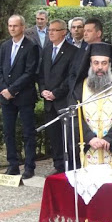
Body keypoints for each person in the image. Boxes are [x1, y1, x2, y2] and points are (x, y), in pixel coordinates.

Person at [70, 42, 112, 166]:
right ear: (90, 64)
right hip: (87, 149)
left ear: (110, 64)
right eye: (96, 63)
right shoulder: (80, 88)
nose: (100, 67)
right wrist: (89, 138)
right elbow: (73, 117)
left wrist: (109, 139)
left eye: (104, 63)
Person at [0, 15, 39, 179]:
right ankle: (13, 165)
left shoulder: (31, 47)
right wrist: (4, 89)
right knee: (9, 132)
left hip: (24, 96)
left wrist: (13, 89)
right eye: (10, 26)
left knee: (28, 132)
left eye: (15, 26)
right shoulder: (5, 46)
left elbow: (30, 73)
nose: (12, 29)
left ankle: (29, 166)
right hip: (6, 97)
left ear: (22, 27)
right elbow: (0, 69)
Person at [38, 19, 78, 174]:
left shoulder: (72, 51)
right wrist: (43, 90)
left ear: (64, 32)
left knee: (67, 136)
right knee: (53, 136)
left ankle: (71, 166)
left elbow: (71, 77)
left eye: (54, 30)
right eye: (49, 30)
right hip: (49, 101)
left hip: (63, 101)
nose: (51, 33)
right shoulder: (47, 49)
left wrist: (56, 92)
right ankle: (58, 165)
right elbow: (41, 74)